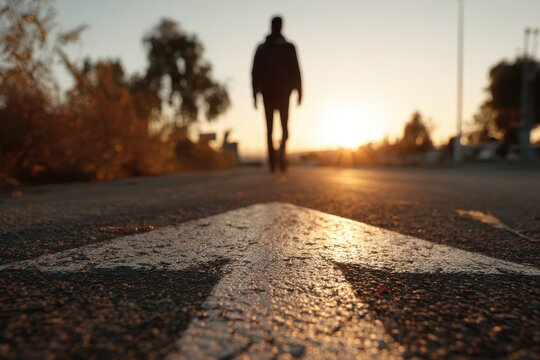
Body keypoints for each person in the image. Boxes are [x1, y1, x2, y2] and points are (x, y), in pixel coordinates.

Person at [252, 16, 302, 172]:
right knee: (271, 128)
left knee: (283, 127)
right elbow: (255, 72)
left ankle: (280, 153)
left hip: (283, 93)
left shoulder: (289, 47)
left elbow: (296, 70)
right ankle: (273, 160)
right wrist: (255, 93)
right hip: (269, 94)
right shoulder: (262, 48)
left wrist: (300, 91)